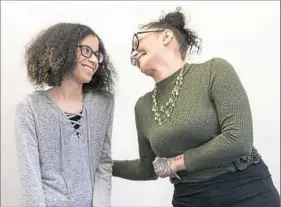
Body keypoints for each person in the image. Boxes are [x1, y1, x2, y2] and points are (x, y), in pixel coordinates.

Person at [112, 7, 280, 207]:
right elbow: (147, 169)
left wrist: (176, 163)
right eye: (131, 50)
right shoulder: (143, 106)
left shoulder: (214, 71)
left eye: (137, 41)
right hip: (190, 198)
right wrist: (104, 165)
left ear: (166, 36)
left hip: (244, 189)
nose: (133, 52)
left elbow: (238, 138)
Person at [15, 23, 116, 207]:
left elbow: (103, 163)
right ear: (64, 50)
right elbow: (30, 176)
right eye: (86, 51)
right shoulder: (30, 107)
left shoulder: (104, 103)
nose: (93, 60)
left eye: (96, 54)